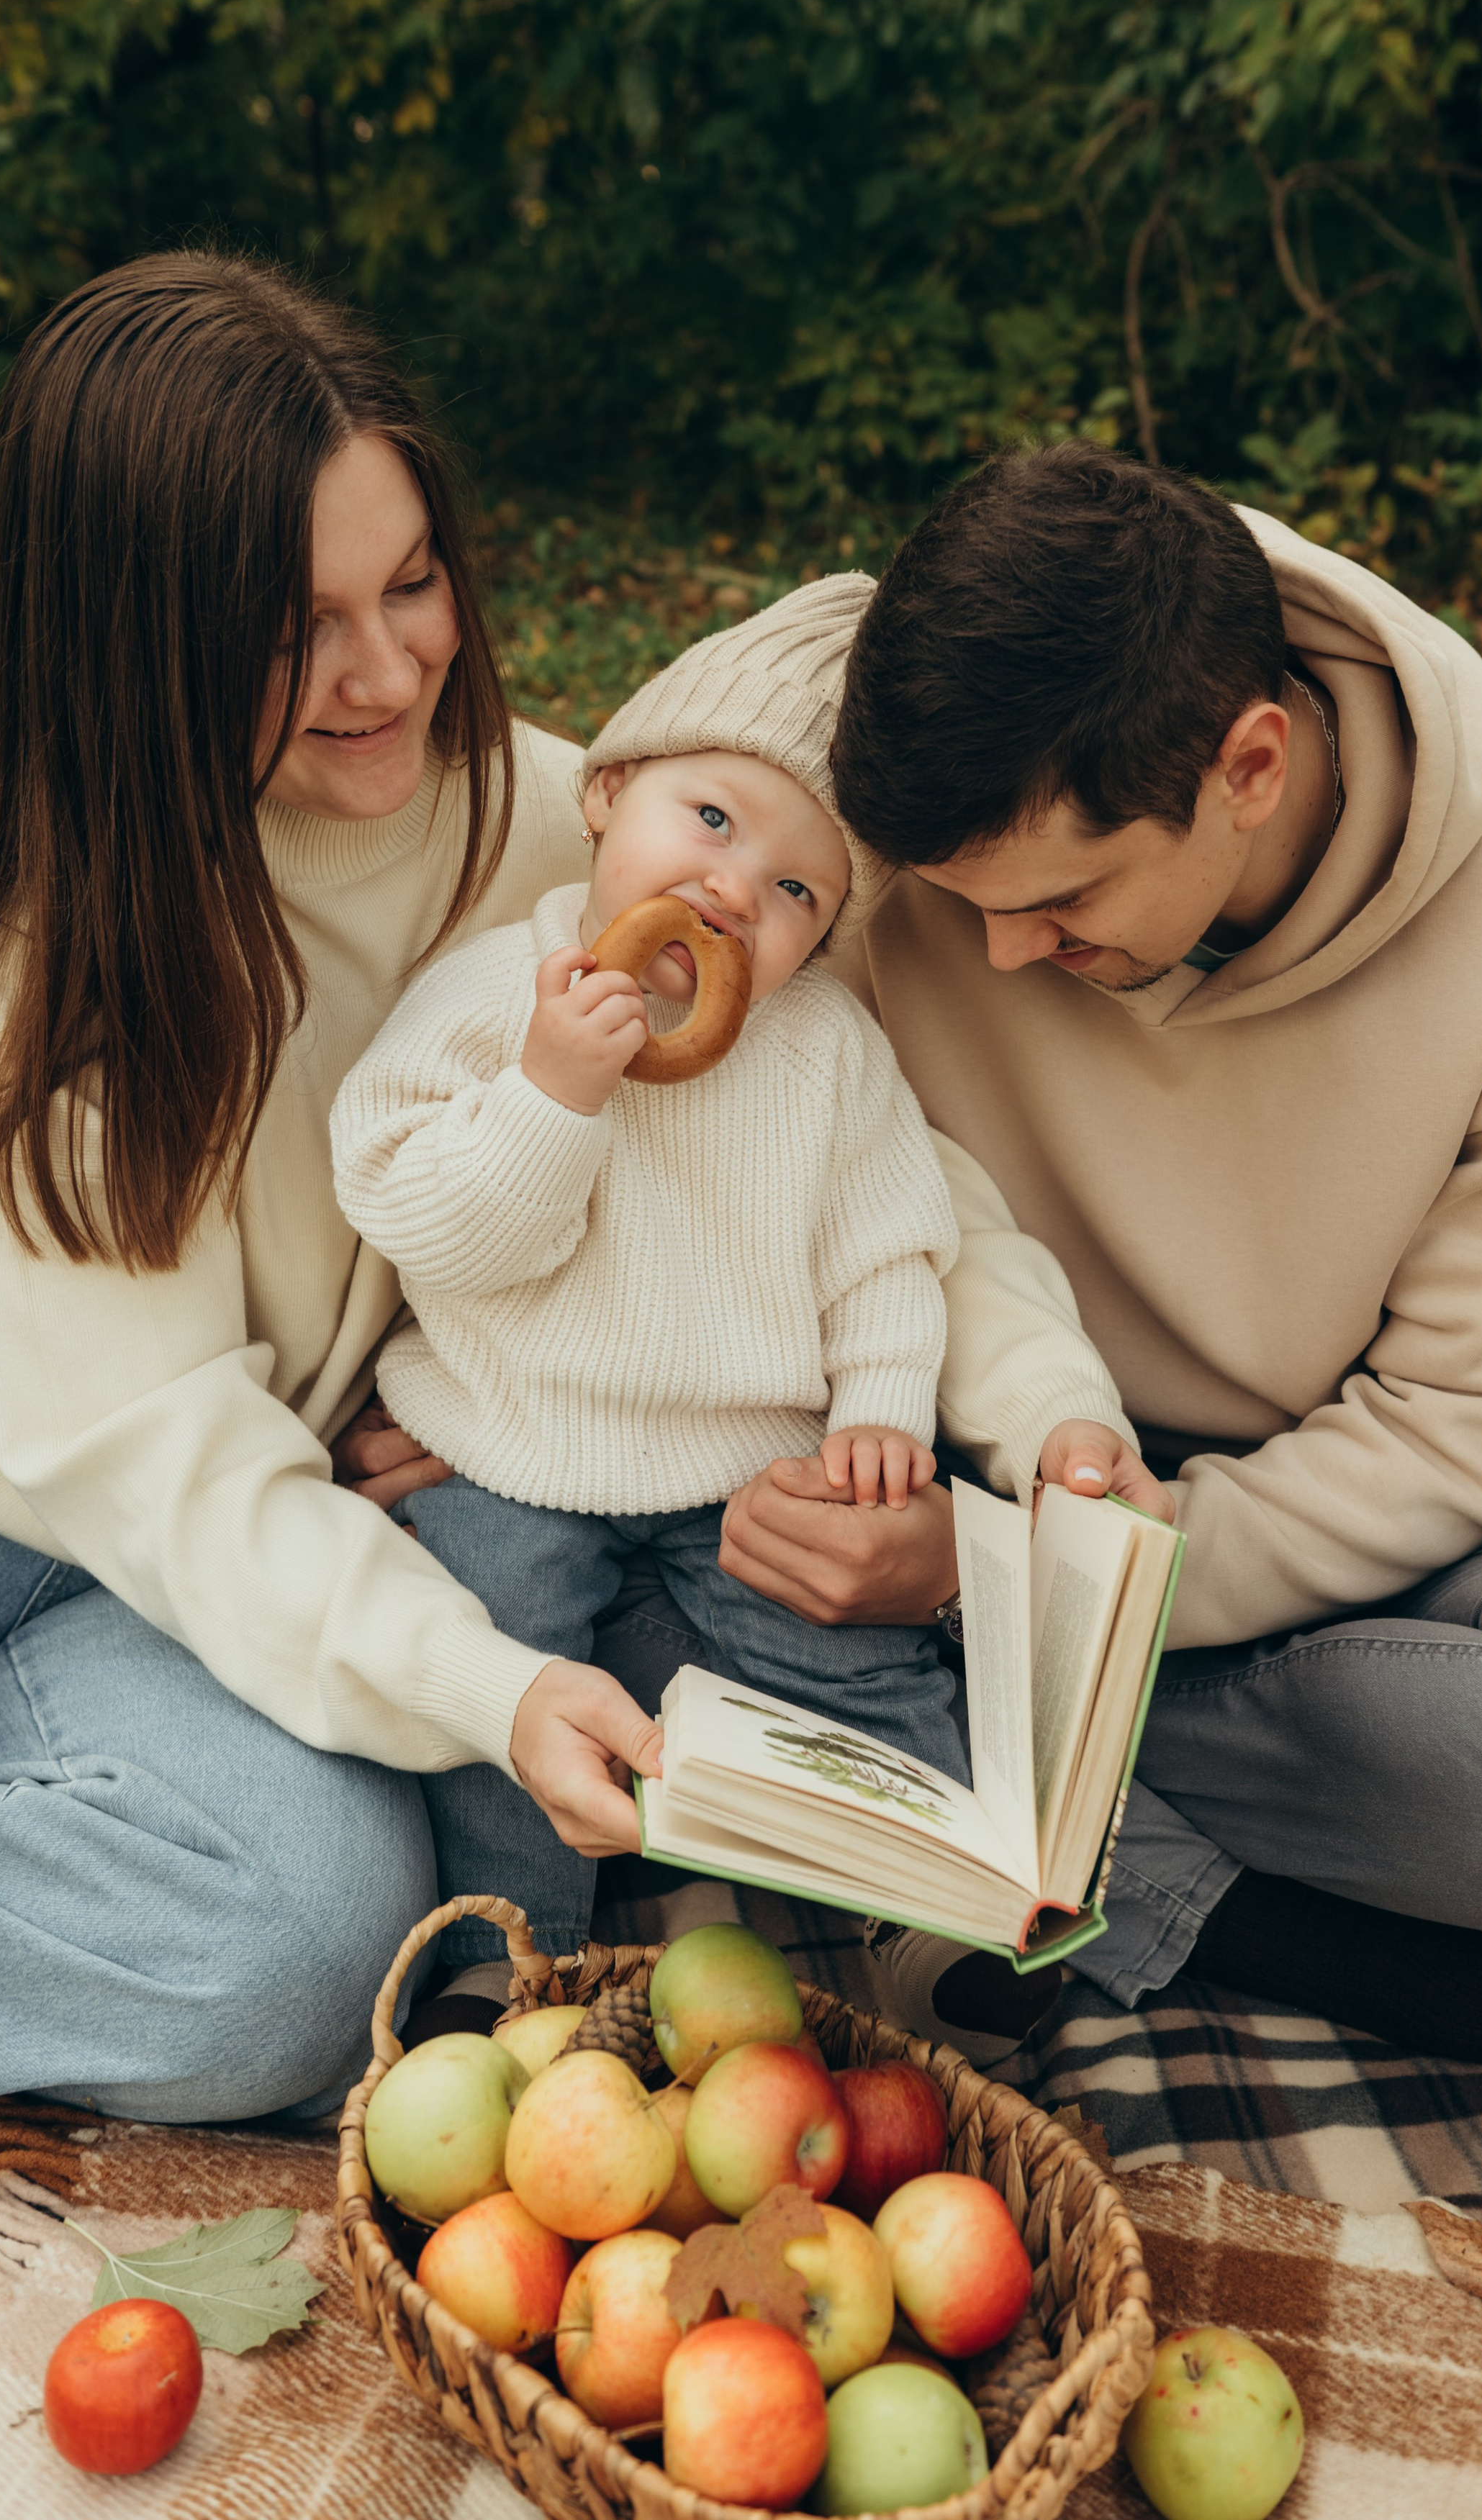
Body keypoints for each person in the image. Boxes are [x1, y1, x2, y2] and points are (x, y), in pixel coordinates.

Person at [698, 444, 1482, 2173]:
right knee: (622, 1566)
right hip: (938, 1425)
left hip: (1358, 1501)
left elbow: (1475, 1434)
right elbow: (613, 826)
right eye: (962, 906)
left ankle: (989, 1759)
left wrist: (1002, 1584)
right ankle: (1307, 1925)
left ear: (1248, 764)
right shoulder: (926, 768)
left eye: (1059, 902)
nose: (998, 956)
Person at [0, 251, 687, 2123]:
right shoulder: (51, 967)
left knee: (303, 1950)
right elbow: (159, 1455)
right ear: (134, 642)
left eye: (410, 583)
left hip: (163, 1561)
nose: (387, 669)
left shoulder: (556, 834)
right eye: (292, 627)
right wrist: (481, 1684)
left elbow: (832, 976)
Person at [329, 604, 1173, 1977]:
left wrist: (880, 1408)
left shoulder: (822, 1049)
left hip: (748, 1467)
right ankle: (514, 1958)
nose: (733, 891)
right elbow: (423, 1220)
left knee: (851, 1664)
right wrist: (551, 1096)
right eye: (711, 820)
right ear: (606, 794)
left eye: (796, 891)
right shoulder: (493, 1001)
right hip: (502, 1442)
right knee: (500, 1662)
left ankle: (946, 1909)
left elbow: (889, 1247)